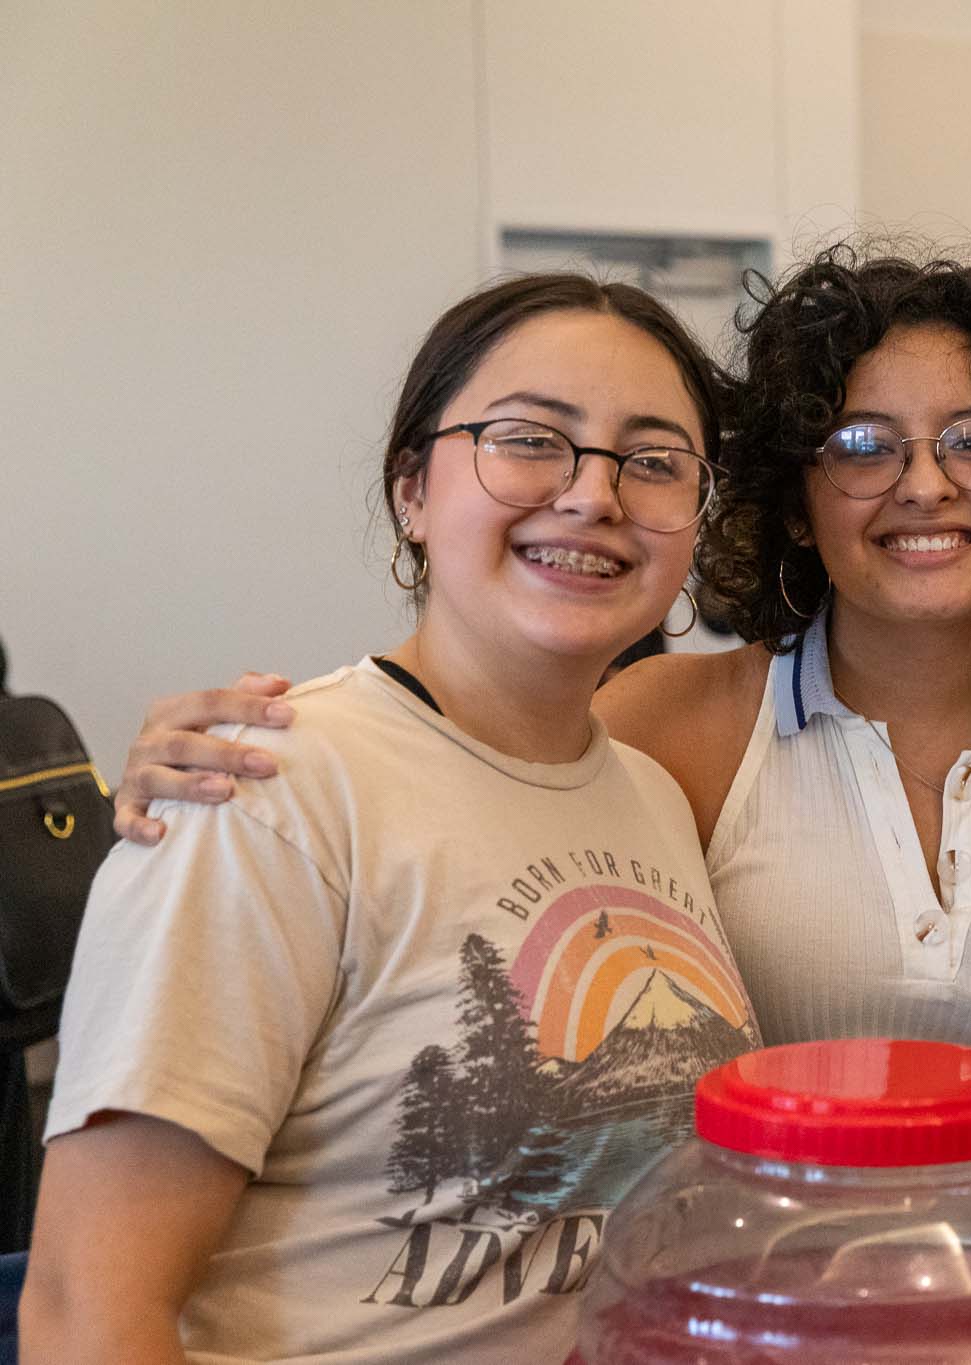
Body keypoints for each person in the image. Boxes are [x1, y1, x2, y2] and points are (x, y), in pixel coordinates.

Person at [101, 247, 971, 1291]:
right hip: (734, 1319)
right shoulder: (654, 733)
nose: (924, 485)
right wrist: (236, 759)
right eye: (862, 445)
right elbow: (462, 761)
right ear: (792, 498)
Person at [23, 276, 759, 1362]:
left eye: (651, 461)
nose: (594, 495)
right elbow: (86, 1313)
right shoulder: (263, 791)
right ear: (413, 488)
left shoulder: (647, 793)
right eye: (529, 440)